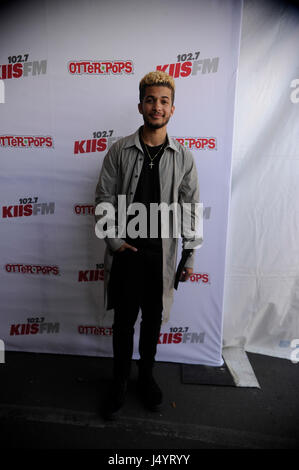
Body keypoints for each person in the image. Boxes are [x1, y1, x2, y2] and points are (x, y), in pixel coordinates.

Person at [95, 70, 202, 419]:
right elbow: (103, 197)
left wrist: (188, 257)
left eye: (164, 101)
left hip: (161, 256)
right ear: (140, 105)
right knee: (124, 323)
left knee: (153, 322)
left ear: (173, 109)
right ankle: (120, 381)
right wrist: (114, 240)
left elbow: (190, 209)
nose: (157, 106)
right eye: (151, 100)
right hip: (127, 254)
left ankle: (147, 377)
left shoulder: (184, 158)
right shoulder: (119, 150)